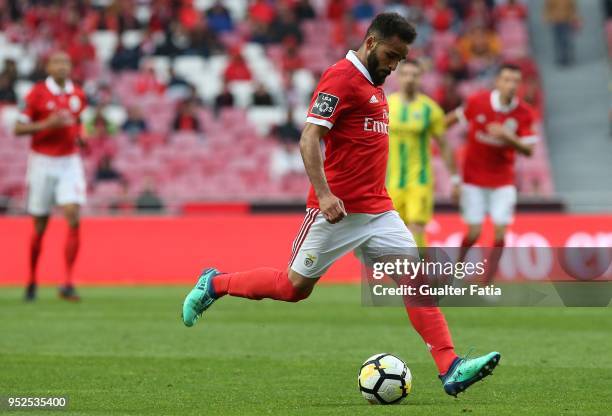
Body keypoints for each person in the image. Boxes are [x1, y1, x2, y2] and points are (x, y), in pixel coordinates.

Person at [181, 13, 500, 397]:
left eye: (400, 58)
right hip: (336, 211)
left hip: (379, 211)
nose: (394, 65)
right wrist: (327, 194)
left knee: (414, 280)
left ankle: (450, 367)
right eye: (390, 55)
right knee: (293, 287)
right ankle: (215, 282)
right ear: (369, 43)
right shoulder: (341, 78)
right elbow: (309, 138)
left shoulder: (375, 82)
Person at [446, 64, 537, 284]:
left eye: (515, 81)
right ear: (497, 82)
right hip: (473, 179)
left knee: (499, 233)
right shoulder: (478, 102)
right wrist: (433, 130)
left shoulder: (524, 113)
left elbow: (529, 150)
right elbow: (452, 119)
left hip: (503, 180)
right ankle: (457, 269)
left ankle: (487, 281)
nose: (511, 85)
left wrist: (508, 136)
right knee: (474, 232)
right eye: (506, 80)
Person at [14, 51, 88, 302]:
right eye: (57, 62)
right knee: (40, 226)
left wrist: (81, 135)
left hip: (69, 161)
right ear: (48, 66)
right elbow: (18, 128)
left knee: (73, 215)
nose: (62, 67)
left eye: (66, 62)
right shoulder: (36, 94)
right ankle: (32, 279)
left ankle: (67, 282)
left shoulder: (78, 94)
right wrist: (46, 125)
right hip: (42, 162)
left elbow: (78, 122)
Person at [386, 59, 459, 251]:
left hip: (420, 179)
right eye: (405, 74)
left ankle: (418, 275)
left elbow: (444, 145)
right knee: (395, 231)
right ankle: (410, 274)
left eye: (414, 75)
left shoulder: (430, 109)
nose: (409, 79)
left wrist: (455, 179)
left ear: (421, 79)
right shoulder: (386, 105)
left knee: (416, 227)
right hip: (391, 181)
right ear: (398, 77)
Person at [544, 0, 579, 67]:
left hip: (567, 20)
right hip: (555, 20)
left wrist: (574, 18)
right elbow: (547, 7)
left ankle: (566, 57)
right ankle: (560, 57)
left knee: (565, 39)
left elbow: (573, 7)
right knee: (558, 40)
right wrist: (547, 17)